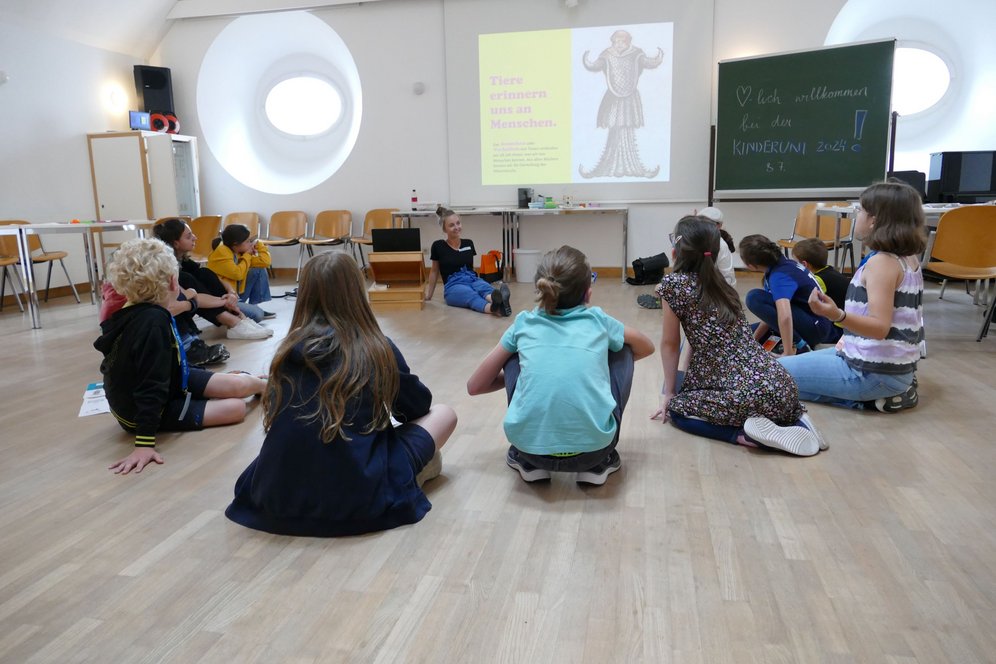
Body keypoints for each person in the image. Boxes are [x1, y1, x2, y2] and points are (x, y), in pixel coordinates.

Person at [225, 252, 457, 537]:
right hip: (360, 493)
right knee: (445, 414)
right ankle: (412, 472)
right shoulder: (376, 346)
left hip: (277, 494)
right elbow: (417, 407)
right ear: (356, 293)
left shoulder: (286, 351)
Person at [467, 245, 655, 485]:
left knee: (512, 354)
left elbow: (474, 386)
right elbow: (647, 347)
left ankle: (525, 461)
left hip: (529, 449)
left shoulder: (524, 323)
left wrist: (525, 376)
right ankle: (601, 463)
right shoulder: (598, 320)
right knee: (623, 349)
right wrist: (600, 366)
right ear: (587, 293)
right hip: (594, 451)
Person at [651, 216, 827, 456]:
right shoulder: (724, 285)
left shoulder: (673, 285)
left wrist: (669, 394)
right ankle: (798, 421)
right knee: (761, 399)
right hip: (782, 385)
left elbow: (670, 344)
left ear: (676, 251)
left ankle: (746, 435)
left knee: (678, 411)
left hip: (746, 395)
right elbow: (696, 337)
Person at [94, 238, 267, 475]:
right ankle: (258, 387)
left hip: (174, 381)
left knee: (237, 383)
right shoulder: (152, 323)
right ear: (174, 282)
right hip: (143, 412)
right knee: (235, 408)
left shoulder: (140, 311)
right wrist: (144, 443)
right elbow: (150, 384)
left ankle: (265, 386)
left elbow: (171, 361)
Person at [779, 181, 926, 413]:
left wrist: (836, 314)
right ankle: (890, 392)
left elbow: (879, 328)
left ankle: (874, 398)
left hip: (871, 373)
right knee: (775, 373)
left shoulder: (883, 263)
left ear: (874, 220)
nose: (856, 215)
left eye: (861, 211)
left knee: (769, 378)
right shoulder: (907, 257)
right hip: (880, 365)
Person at [153, 218, 273, 342]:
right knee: (257, 314)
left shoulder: (184, 260)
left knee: (205, 273)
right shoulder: (169, 268)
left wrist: (230, 292)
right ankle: (234, 321)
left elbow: (213, 277)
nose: (195, 238)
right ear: (176, 243)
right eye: (189, 237)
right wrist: (224, 301)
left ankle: (239, 319)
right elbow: (193, 296)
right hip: (185, 304)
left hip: (219, 299)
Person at [580, 29, 665, 179]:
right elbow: (595, 65)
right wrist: (587, 60)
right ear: (613, 41)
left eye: (622, 41)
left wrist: (658, 57)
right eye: (616, 41)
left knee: (626, 127)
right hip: (613, 97)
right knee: (615, 128)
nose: (619, 44)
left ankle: (631, 165)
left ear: (628, 42)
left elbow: (649, 62)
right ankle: (610, 165)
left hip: (629, 97)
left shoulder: (636, 53)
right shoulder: (607, 54)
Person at [739, 233, 841, 355]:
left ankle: (800, 345)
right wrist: (754, 340)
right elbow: (770, 313)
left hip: (816, 328)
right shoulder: (784, 264)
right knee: (744, 333)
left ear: (751, 266)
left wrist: (787, 352)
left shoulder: (780, 276)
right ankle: (791, 342)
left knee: (753, 297)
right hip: (813, 321)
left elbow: (785, 315)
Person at [425, 205, 511, 316]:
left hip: (471, 278)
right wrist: (429, 295)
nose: (456, 227)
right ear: (444, 229)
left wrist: (477, 282)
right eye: (451, 225)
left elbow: (472, 268)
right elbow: (434, 271)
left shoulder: (468, 243)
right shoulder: (438, 246)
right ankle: (494, 307)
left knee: (484, 287)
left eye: (458, 223)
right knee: (470, 294)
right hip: (453, 285)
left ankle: (498, 301)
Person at [206, 223, 274, 322]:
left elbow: (265, 262)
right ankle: (244, 311)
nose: (250, 244)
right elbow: (237, 274)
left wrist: (259, 245)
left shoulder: (236, 250)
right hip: (225, 299)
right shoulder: (221, 252)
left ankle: (253, 306)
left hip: (235, 294)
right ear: (235, 244)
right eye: (247, 241)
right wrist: (247, 256)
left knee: (258, 270)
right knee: (258, 315)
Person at [791, 237, 849, 309]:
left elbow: (805, 300)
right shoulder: (829, 270)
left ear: (804, 265)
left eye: (795, 262)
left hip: (838, 318)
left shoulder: (818, 280)